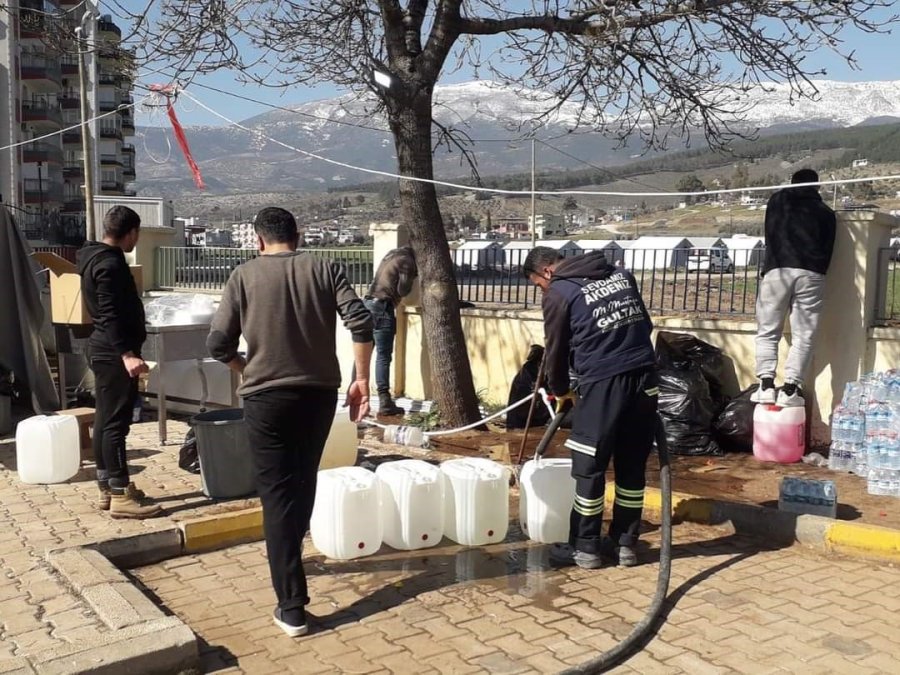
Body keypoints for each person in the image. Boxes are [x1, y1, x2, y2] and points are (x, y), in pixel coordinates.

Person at [207, 207, 373, 638]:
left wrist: (249, 369)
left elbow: (217, 344)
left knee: (278, 495)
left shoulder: (243, 276)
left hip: (266, 399)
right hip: (318, 395)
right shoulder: (326, 267)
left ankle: (292, 607)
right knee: (302, 482)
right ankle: (291, 560)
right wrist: (362, 382)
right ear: (297, 236)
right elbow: (361, 320)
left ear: (259, 240)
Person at [523, 246, 658, 569]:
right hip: (645, 378)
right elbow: (645, 324)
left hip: (602, 383)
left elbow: (555, 349)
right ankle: (625, 544)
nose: (542, 290)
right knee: (631, 464)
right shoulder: (621, 275)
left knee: (589, 466)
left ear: (546, 272)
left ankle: (585, 548)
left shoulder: (559, 292)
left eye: (538, 285)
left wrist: (560, 391)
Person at [78, 206, 160, 519]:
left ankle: (109, 488)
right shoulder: (110, 264)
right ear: (131, 232)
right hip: (114, 353)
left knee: (105, 419)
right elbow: (111, 314)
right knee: (115, 423)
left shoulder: (92, 257)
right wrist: (127, 354)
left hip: (103, 348)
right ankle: (120, 494)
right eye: (136, 235)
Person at [752, 169, 836, 407]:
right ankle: (790, 389)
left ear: (792, 184)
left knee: (768, 331)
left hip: (777, 269)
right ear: (817, 187)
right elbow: (829, 247)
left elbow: (769, 233)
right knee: (804, 335)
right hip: (811, 273)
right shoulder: (826, 213)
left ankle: (766, 385)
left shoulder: (777, 202)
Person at [364, 245, 417, 415]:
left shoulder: (391, 255)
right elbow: (403, 290)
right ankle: (385, 400)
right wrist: (414, 277)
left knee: (363, 353)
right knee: (383, 356)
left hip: (367, 305)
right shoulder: (407, 261)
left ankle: (355, 396)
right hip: (382, 307)